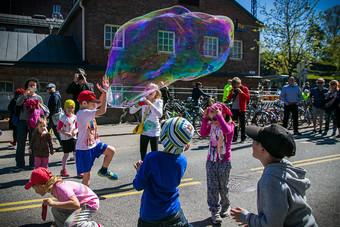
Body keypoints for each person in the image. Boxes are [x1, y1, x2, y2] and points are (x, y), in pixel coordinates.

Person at [230, 124, 317, 227]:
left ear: (264, 149)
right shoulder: (285, 167)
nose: (252, 143)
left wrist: (247, 218)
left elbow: (272, 225)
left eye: (256, 141)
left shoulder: (271, 181)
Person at [133, 117, 194, 227]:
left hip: (150, 215)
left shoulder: (152, 158)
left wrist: (139, 171)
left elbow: (138, 185)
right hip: (174, 213)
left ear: (164, 137)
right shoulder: (182, 161)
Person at [25, 167, 101, 227]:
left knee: (70, 224)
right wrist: (53, 204)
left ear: (42, 185)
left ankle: (95, 225)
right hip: (81, 202)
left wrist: (53, 203)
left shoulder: (60, 187)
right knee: (55, 209)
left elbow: (76, 204)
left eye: (35, 187)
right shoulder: (54, 188)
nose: (35, 191)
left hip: (89, 203)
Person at [76, 78, 118, 186]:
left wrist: (105, 91)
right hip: (85, 149)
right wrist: (105, 93)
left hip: (95, 143)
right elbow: (102, 110)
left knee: (111, 151)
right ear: (85, 103)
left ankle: (103, 170)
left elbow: (99, 102)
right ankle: (84, 197)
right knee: (87, 176)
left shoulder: (88, 109)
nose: (95, 104)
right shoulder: (83, 113)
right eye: (92, 102)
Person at [200, 103, 234, 224]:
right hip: (211, 160)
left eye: (215, 118)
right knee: (212, 187)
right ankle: (214, 211)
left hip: (224, 161)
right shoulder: (212, 124)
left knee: (223, 187)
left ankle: (226, 205)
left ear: (223, 115)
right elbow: (203, 133)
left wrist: (218, 116)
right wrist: (205, 119)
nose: (213, 121)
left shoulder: (229, 125)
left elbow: (226, 130)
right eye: (211, 118)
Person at [129, 83, 163, 161]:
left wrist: (150, 103)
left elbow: (160, 114)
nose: (149, 91)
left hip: (154, 132)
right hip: (144, 130)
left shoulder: (158, 101)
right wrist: (138, 104)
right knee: (142, 152)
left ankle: (154, 168)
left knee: (154, 152)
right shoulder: (142, 101)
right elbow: (131, 111)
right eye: (148, 89)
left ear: (156, 92)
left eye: (152, 90)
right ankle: (144, 168)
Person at [16, 78, 43, 169]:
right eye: (30, 85)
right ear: (27, 86)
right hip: (22, 122)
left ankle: (33, 163)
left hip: (34, 123)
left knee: (34, 143)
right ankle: (20, 164)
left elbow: (42, 111)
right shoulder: (23, 95)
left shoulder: (39, 97)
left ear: (36, 87)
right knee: (21, 143)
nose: (31, 86)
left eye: (33, 85)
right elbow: (18, 103)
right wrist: (24, 95)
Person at [57, 99, 78, 177]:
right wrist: (66, 133)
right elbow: (58, 129)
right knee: (66, 154)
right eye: (68, 107)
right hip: (65, 139)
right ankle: (63, 170)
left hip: (74, 138)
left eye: (71, 107)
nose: (70, 109)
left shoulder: (75, 117)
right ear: (65, 108)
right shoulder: (62, 118)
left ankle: (79, 171)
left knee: (76, 154)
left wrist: (75, 132)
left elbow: (77, 127)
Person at [227, 77, 250, 142]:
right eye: (233, 85)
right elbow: (228, 98)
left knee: (242, 124)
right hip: (234, 108)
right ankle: (235, 137)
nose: (234, 86)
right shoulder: (232, 89)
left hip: (242, 109)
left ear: (239, 84)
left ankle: (243, 137)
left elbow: (247, 98)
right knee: (234, 123)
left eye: (235, 85)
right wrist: (232, 93)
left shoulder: (244, 88)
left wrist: (241, 92)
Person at [46, 83, 62, 149]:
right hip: (54, 116)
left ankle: (46, 145)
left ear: (54, 88)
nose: (48, 90)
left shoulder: (54, 95)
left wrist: (48, 116)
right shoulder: (55, 94)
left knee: (46, 130)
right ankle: (62, 145)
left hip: (53, 116)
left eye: (50, 88)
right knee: (55, 131)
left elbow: (54, 107)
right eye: (47, 88)